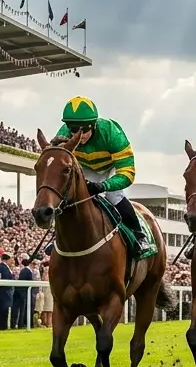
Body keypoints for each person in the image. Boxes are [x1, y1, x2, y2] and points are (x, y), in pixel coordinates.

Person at [55, 96, 148, 259]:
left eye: (84, 130)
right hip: (83, 168)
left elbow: (127, 173)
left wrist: (103, 186)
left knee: (114, 195)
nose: (78, 135)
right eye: (74, 130)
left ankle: (138, 234)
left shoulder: (112, 133)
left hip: (110, 168)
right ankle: (59, 236)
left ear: (94, 124)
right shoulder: (63, 134)